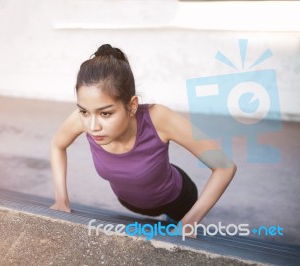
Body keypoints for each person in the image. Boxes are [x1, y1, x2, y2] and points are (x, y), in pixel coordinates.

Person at [50, 44, 236, 231]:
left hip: (177, 200)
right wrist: (61, 199)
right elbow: (57, 145)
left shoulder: (158, 118)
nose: (92, 127)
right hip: (129, 203)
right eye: (84, 111)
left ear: (132, 105)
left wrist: (189, 223)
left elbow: (225, 167)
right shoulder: (84, 120)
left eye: (105, 114)